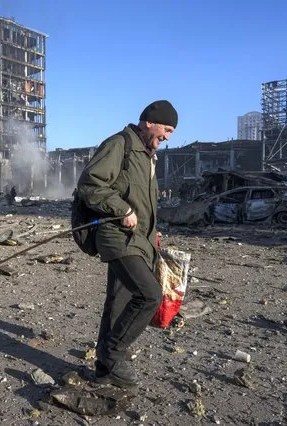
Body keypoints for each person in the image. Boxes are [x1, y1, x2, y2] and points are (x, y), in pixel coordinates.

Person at [76, 100, 178, 388]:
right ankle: (113, 352)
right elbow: (90, 184)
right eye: (166, 129)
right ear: (149, 122)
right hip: (117, 238)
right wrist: (122, 210)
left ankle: (105, 371)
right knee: (149, 295)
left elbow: (145, 206)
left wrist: (153, 239)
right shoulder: (119, 144)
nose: (168, 136)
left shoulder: (147, 156)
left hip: (140, 241)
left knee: (119, 304)